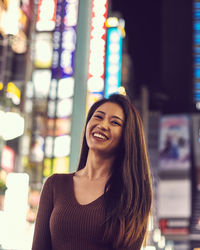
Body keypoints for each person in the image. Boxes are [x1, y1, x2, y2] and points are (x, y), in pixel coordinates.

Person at [32, 93, 153, 250]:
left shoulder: (132, 195)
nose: (103, 125)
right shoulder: (55, 185)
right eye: (98, 117)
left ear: (127, 137)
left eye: (115, 122)